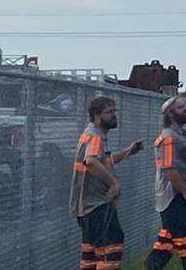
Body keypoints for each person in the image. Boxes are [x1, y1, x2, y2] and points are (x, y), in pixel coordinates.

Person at [69, 96, 144, 270]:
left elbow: (103, 160)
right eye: (109, 112)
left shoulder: (91, 134)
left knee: (90, 253)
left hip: (87, 206)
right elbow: (91, 161)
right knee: (110, 246)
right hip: (97, 204)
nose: (114, 115)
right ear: (96, 114)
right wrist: (113, 183)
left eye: (114, 111)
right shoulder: (95, 136)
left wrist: (128, 151)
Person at [145, 96, 186, 269]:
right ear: (171, 114)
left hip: (181, 196)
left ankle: (151, 266)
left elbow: (182, 168)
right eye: (181, 108)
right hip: (175, 199)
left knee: (168, 241)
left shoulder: (179, 135)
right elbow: (169, 168)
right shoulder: (169, 137)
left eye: (185, 106)